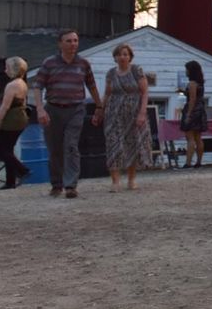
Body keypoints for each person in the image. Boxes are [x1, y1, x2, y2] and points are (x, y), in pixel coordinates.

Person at [33, 29, 103, 199]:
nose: (73, 44)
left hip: (76, 109)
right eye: (69, 41)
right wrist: (40, 109)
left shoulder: (83, 64)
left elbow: (91, 85)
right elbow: (37, 86)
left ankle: (71, 185)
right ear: (60, 44)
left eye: (75, 40)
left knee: (71, 146)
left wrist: (99, 107)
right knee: (55, 149)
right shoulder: (49, 63)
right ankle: (56, 184)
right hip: (53, 109)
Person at [101, 44, 152, 191]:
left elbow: (144, 92)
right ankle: (115, 181)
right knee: (113, 144)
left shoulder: (136, 71)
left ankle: (131, 179)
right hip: (114, 113)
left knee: (132, 144)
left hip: (134, 111)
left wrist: (142, 113)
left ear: (130, 57)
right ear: (115, 57)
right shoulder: (111, 73)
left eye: (125, 54)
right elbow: (107, 93)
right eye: (119, 54)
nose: (122, 57)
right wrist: (100, 110)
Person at [0, 56, 32, 189]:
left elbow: (4, 107)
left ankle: (22, 170)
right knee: (8, 149)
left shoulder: (12, 85)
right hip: (20, 118)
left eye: (7, 67)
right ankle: (10, 181)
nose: (5, 69)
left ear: (13, 68)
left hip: (11, 120)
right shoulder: (22, 83)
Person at [179, 61, 208, 168]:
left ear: (190, 71)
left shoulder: (192, 83)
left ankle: (188, 162)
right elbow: (197, 96)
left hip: (193, 110)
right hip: (200, 109)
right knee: (198, 137)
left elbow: (192, 99)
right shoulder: (201, 83)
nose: (186, 71)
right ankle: (199, 162)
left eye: (187, 69)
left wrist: (188, 114)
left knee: (190, 137)